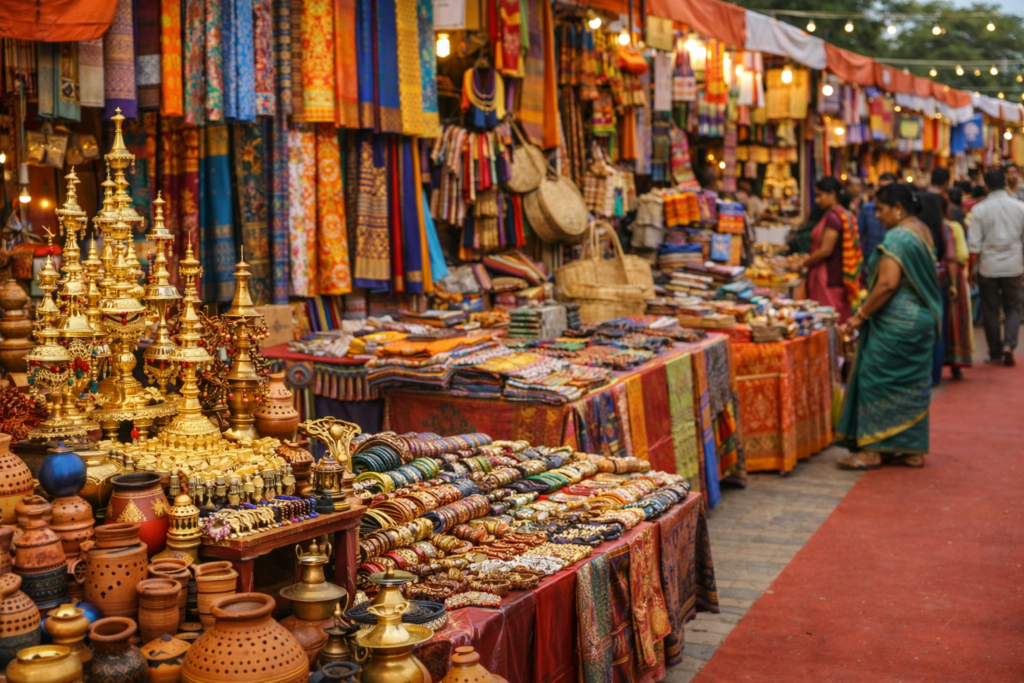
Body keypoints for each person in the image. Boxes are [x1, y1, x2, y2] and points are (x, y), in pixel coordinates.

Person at [836, 183, 942, 470]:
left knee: (874, 378)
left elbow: (887, 283)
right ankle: (910, 450)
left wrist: (860, 316)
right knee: (913, 384)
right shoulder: (923, 230)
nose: (877, 215)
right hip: (922, 320)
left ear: (897, 209)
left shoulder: (896, 238)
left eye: (881, 209)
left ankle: (871, 451)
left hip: (897, 322)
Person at [967, 168, 1024, 366]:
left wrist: (972, 270)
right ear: (1005, 183)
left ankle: (995, 352)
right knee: (1013, 308)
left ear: (987, 185)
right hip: (1014, 265)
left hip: (988, 267)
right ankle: (1009, 344)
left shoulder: (979, 209)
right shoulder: (1019, 207)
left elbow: (974, 245)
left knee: (990, 309)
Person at [798, 177, 865, 323]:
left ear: (832, 194)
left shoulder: (834, 217)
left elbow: (825, 250)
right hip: (840, 277)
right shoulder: (846, 214)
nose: (816, 200)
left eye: (819, 195)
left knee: (828, 321)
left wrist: (802, 264)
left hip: (828, 277)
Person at [941, 193, 973, 378]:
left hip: (937, 278)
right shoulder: (953, 227)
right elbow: (961, 255)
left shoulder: (926, 228)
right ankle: (956, 362)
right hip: (954, 278)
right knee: (955, 320)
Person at [858, 173, 896, 260]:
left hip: (892, 258)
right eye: (882, 188)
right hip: (870, 258)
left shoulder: (898, 210)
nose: (877, 215)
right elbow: (859, 234)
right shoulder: (867, 208)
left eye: (888, 188)